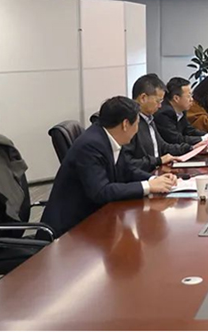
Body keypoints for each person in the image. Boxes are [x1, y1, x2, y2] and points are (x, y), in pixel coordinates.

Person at [40, 96, 177, 237]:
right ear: (125, 124)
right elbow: (101, 192)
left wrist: (154, 180)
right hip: (70, 231)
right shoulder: (91, 145)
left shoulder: (109, 136)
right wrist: (148, 186)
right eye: (136, 124)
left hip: (94, 218)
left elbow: (127, 169)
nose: (137, 130)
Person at [123, 74, 205, 172]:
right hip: (145, 176)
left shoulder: (149, 119)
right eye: (158, 101)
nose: (160, 106)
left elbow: (163, 147)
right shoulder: (130, 124)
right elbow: (128, 164)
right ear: (143, 98)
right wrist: (158, 161)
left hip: (158, 172)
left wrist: (191, 148)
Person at [154, 77, 208, 146]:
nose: (191, 99)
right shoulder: (164, 113)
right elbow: (176, 139)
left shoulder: (181, 111)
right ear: (176, 98)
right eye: (188, 96)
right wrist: (207, 139)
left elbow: (190, 131)